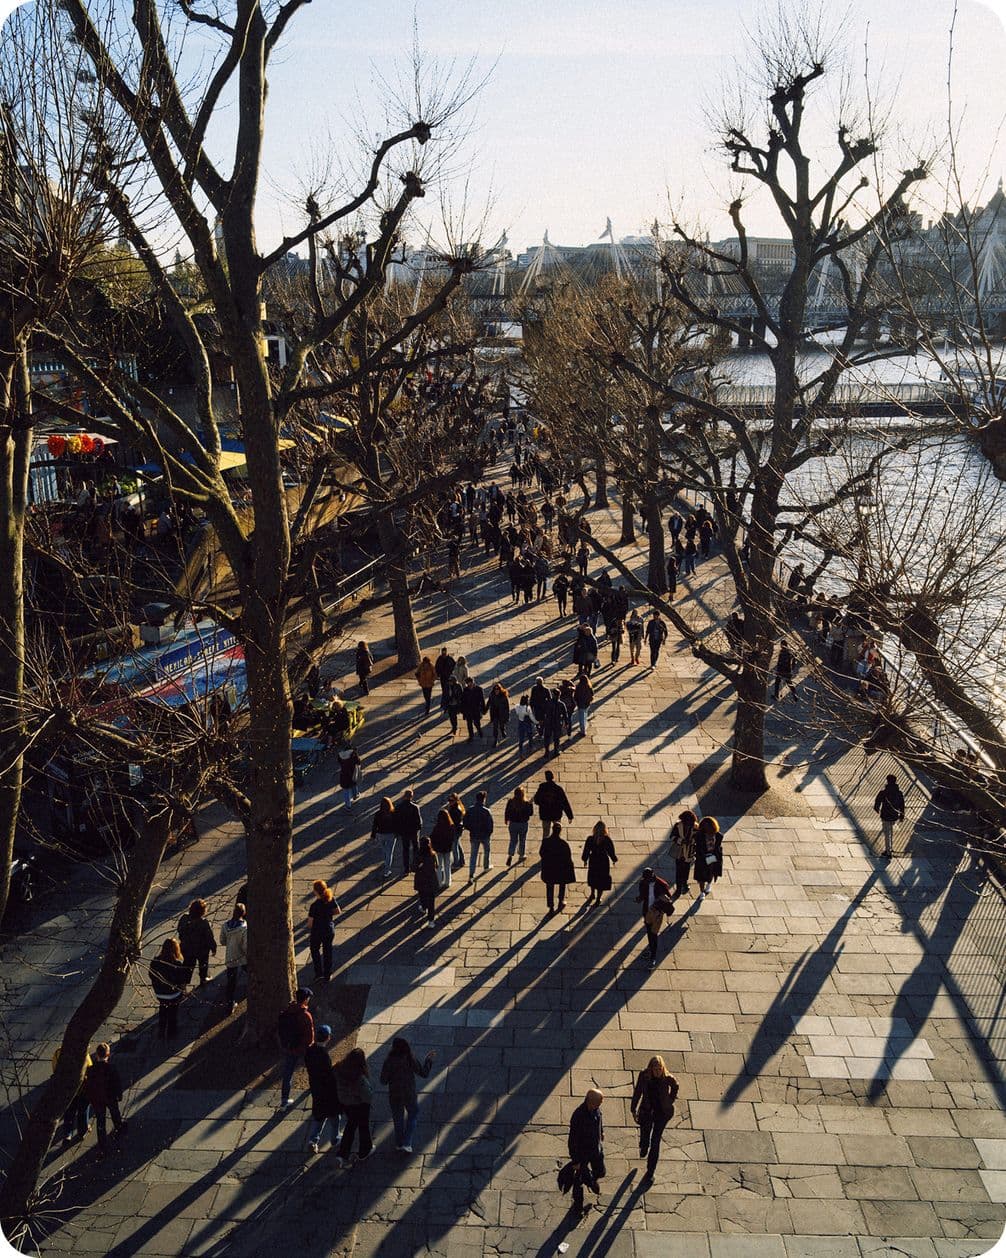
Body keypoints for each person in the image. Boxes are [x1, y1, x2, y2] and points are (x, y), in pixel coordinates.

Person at [380, 1037, 435, 1153]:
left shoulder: (389, 1061)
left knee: (398, 1119)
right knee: (413, 1114)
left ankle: (399, 1143)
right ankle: (407, 1143)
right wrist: (428, 1060)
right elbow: (424, 1073)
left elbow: (383, 1081)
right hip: (409, 1093)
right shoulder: (409, 1058)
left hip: (395, 1094)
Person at [631, 1056, 679, 1179]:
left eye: (659, 1069)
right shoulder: (644, 1076)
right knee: (645, 1132)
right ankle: (644, 1145)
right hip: (647, 1110)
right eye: (655, 1069)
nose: (657, 1072)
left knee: (656, 1141)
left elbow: (675, 1086)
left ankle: (650, 1171)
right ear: (650, 1068)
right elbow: (638, 1091)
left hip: (662, 1113)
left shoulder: (668, 1078)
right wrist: (633, 1108)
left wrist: (670, 1100)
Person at [83, 1043, 127, 1155]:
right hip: (110, 1096)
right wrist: (119, 1095)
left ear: (96, 1054)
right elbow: (117, 1083)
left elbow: (88, 1085)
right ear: (108, 1054)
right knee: (114, 1112)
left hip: (98, 1099)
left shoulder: (91, 1069)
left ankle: (102, 1144)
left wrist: (90, 1098)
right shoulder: (111, 1068)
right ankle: (118, 1127)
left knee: (100, 1121)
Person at [305, 1024, 342, 1155]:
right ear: (328, 1038)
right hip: (328, 1093)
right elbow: (328, 1077)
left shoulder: (309, 1051)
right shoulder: (324, 1056)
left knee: (319, 1117)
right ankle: (335, 1139)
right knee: (335, 1117)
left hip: (316, 1089)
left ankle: (312, 1141)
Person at [567, 1089, 605, 1215]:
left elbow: (599, 1118)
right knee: (578, 1181)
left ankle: (590, 1181)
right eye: (599, 1102)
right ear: (591, 1102)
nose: (600, 1104)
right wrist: (576, 1160)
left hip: (595, 1149)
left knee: (601, 1171)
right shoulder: (579, 1116)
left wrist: (601, 1132)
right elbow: (572, 1140)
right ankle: (578, 1207)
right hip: (582, 1153)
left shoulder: (595, 1109)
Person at [277, 987, 315, 1108]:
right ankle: (313, 1087)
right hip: (303, 1048)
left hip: (290, 1046)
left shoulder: (288, 1010)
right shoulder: (305, 1015)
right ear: (305, 999)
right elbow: (310, 1035)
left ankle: (284, 1100)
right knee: (311, 1068)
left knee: (288, 1073)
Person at [335, 1048, 373, 1166]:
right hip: (359, 1104)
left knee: (351, 1126)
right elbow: (367, 1095)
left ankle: (342, 1154)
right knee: (363, 1127)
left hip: (345, 1103)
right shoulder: (359, 1077)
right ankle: (364, 1151)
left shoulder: (338, 1068)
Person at [150, 938, 188, 1041]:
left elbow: (152, 976)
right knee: (173, 1014)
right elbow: (181, 981)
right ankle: (171, 1033)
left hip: (160, 994)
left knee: (163, 1010)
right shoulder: (177, 964)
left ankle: (161, 1032)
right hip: (174, 994)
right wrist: (183, 991)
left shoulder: (155, 962)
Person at [635, 868, 674, 967]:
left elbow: (669, 899)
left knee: (654, 934)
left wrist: (663, 900)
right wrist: (639, 899)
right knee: (649, 932)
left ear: (652, 876)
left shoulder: (661, 884)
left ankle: (653, 956)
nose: (646, 881)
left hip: (657, 913)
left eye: (647, 879)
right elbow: (643, 895)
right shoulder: (643, 883)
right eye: (645, 879)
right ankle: (651, 950)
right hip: (647, 911)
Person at [177, 899, 217, 986]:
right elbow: (209, 937)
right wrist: (213, 947)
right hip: (201, 949)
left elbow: (179, 930)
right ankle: (203, 979)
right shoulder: (204, 923)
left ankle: (184, 983)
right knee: (203, 964)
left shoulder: (184, 918)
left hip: (187, 948)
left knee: (187, 966)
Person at [308, 880, 341, 982]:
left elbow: (310, 923)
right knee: (327, 951)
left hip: (317, 932)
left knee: (314, 950)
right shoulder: (330, 899)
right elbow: (338, 911)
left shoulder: (314, 906)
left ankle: (318, 973)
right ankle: (328, 974)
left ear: (315, 892)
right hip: (328, 929)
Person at [539, 822, 576, 914]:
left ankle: (551, 906)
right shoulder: (563, 844)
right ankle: (561, 900)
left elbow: (541, 853)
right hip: (560, 869)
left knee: (550, 887)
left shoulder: (546, 841)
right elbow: (568, 857)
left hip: (549, 868)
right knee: (562, 885)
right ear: (560, 831)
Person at [582, 821, 617, 907]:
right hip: (603, 862)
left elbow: (586, 851)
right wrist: (614, 859)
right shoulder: (607, 839)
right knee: (601, 879)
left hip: (593, 860)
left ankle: (592, 894)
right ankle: (598, 899)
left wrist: (585, 859)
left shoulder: (590, 839)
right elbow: (611, 851)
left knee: (593, 877)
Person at [220, 902, 247, 1013]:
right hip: (242, 957)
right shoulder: (244, 927)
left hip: (230, 956)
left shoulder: (225, 925)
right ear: (244, 913)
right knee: (249, 971)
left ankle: (230, 1004)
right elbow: (246, 945)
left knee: (231, 982)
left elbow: (222, 941)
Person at [533, 769, 574, 841]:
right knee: (557, 832)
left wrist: (542, 803)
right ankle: (556, 845)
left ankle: (545, 848)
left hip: (545, 814)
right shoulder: (558, 789)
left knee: (545, 833)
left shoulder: (542, 787)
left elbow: (536, 800)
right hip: (556, 814)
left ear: (546, 778)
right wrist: (570, 816)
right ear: (553, 777)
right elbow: (565, 802)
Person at [464, 790, 495, 881]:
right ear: (483, 800)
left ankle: (471, 875)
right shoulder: (486, 811)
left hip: (474, 835)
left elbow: (465, 823)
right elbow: (490, 825)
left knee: (473, 855)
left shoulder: (470, 809)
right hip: (485, 836)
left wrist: (471, 829)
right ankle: (486, 866)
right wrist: (489, 833)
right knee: (487, 851)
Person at [874, 773, 905, 859]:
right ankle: (889, 848)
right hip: (894, 815)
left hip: (885, 815)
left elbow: (877, 801)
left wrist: (877, 809)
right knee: (890, 831)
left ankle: (888, 852)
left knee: (887, 833)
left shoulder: (884, 792)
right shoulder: (899, 793)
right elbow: (902, 805)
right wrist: (902, 815)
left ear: (887, 781)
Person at [668, 810, 698, 898]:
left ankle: (684, 883)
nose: (688, 824)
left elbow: (698, 839)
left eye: (690, 823)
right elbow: (672, 836)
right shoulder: (678, 826)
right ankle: (678, 888)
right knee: (679, 870)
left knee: (686, 869)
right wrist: (681, 841)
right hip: (679, 852)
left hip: (689, 851)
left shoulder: (696, 827)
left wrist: (692, 841)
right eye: (686, 822)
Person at [396, 788, 423, 876]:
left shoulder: (399, 807)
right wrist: (418, 829)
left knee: (405, 850)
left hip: (404, 832)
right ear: (411, 797)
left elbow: (397, 820)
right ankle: (415, 865)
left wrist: (399, 831)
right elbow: (419, 821)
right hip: (414, 832)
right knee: (415, 848)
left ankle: (406, 868)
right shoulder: (415, 807)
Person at [695, 816, 723, 901]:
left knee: (711, 873)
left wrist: (716, 856)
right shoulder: (699, 835)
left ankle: (709, 884)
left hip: (713, 858)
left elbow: (718, 847)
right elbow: (698, 848)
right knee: (701, 877)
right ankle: (702, 892)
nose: (707, 829)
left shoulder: (718, 836)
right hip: (702, 859)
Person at [413, 837, 440, 926]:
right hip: (431, 880)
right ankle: (431, 921)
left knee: (422, 896)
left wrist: (419, 866)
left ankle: (424, 907)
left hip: (421, 880)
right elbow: (437, 866)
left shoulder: (418, 855)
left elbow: (413, 868)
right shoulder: (433, 854)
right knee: (431, 901)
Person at [372, 796, 399, 880]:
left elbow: (374, 825)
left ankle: (386, 862)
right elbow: (397, 824)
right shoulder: (393, 813)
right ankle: (387, 870)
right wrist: (397, 833)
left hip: (381, 834)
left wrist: (373, 834)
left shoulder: (378, 814)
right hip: (391, 834)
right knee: (389, 852)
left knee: (384, 850)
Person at [505, 786, 534, 865]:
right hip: (523, 824)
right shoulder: (526, 803)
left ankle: (510, 855)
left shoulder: (511, 801)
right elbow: (530, 813)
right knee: (522, 840)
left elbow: (507, 811)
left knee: (513, 840)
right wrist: (531, 804)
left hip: (513, 824)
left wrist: (506, 819)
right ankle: (521, 855)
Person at [430, 807, 457, 889]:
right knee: (447, 866)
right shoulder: (451, 826)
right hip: (447, 849)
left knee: (439, 866)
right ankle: (447, 882)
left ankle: (439, 882)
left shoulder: (437, 827)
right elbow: (453, 838)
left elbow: (432, 837)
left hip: (438, 849)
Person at [337, 743, 362, 808]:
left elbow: (339, 762)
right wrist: (356, 753)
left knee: (346, 790)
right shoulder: (353, 754)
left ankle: (348, 806)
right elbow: (358, 762)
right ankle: (355, 795)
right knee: (354, 784)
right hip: (352, 772)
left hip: (344, 775)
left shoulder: (340, 755)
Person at [461, 676, 486, 742]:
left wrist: (483, 709)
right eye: (467, 683)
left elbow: (482, 700)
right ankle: (471, 736)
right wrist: (463, 711)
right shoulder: (465, 690)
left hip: (476, 709)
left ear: (472, 682)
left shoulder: (479, 689)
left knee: (477, 723)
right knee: (469, 724)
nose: (469, 685)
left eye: (470, 683)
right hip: (468, 710)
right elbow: (463, 701)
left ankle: (479, 731)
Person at [487, 680, 511, 747]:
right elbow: (488, 703)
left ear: (500, 689)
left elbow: (507, 707)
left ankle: (503, 731)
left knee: (501, 725)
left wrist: (507, 716)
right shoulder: (492, 695)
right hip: (494, 714)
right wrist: (485, 710)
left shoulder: (504, 696)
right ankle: (495, 739)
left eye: (498, 689)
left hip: (502, 714)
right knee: (495, 727)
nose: (496, 690)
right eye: (495, 689)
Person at [573, 672, 593, 737]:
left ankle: (583, 731)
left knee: (581, 717)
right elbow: (592, 694)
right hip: (587, 703)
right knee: (585, 715)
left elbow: (575, 696)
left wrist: (576, 701)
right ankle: (584, 728)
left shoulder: (578, 686)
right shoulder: (589, 686)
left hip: (580, 703)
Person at [444, 672, 464, 737]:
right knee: (451, 716)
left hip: (455, 704)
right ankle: (453, 726)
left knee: (454, 716)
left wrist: (456, 698)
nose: (449, 682)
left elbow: (461, 695)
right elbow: (445, 694)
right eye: (449, 681)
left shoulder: (458, 686)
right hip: (449, 704)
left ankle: (454, 727)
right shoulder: (447, 686)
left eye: (451, 681)